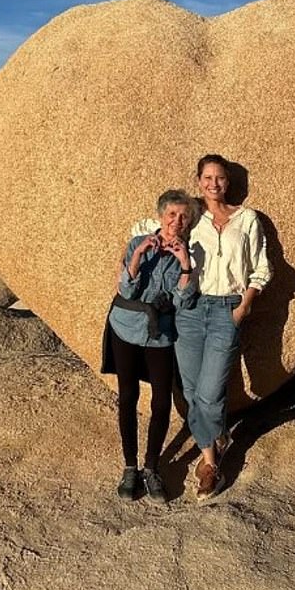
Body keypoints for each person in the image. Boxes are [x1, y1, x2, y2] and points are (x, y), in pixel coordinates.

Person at [175, 155, 272, 501]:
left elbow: (261, 266)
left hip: (226, 310)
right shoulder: (189, 218)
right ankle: (212, 455)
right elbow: (151, 229)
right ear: (198, 180)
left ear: (227, 183)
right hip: (190, 309)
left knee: (210, 392)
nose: (213, 183)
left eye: (219, 178)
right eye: (207, 177)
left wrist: (244, 306)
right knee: (189, 391)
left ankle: (213, 454)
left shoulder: (247, 219)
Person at [102, 190, 196, 504]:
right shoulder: (137, 244)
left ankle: (152, 467)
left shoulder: (190, 252)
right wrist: (139, 255)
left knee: (161, 400)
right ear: (160, 216)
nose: (177, 222)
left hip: (161, 334)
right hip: (126, 326)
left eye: (183, 217)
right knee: (127, 395)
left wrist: (185, 265)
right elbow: (126, 288)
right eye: (172, 215)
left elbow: (183, 301)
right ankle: (130, 468)